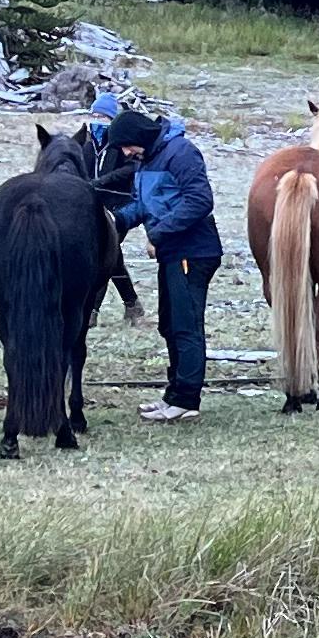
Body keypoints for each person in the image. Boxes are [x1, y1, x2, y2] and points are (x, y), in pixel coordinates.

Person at [97, 103, 221, 419]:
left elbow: (200, 200)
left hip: (192, 252)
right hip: (172, 254)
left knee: (185, 324)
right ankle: (174, 395)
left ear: (139, 136)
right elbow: (144, 204)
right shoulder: (147, 160)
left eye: (126, 145)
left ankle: (187, 401)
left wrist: (159, 234)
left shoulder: (181, 153)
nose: (125, 153)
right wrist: (115, 220)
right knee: (170, 324)